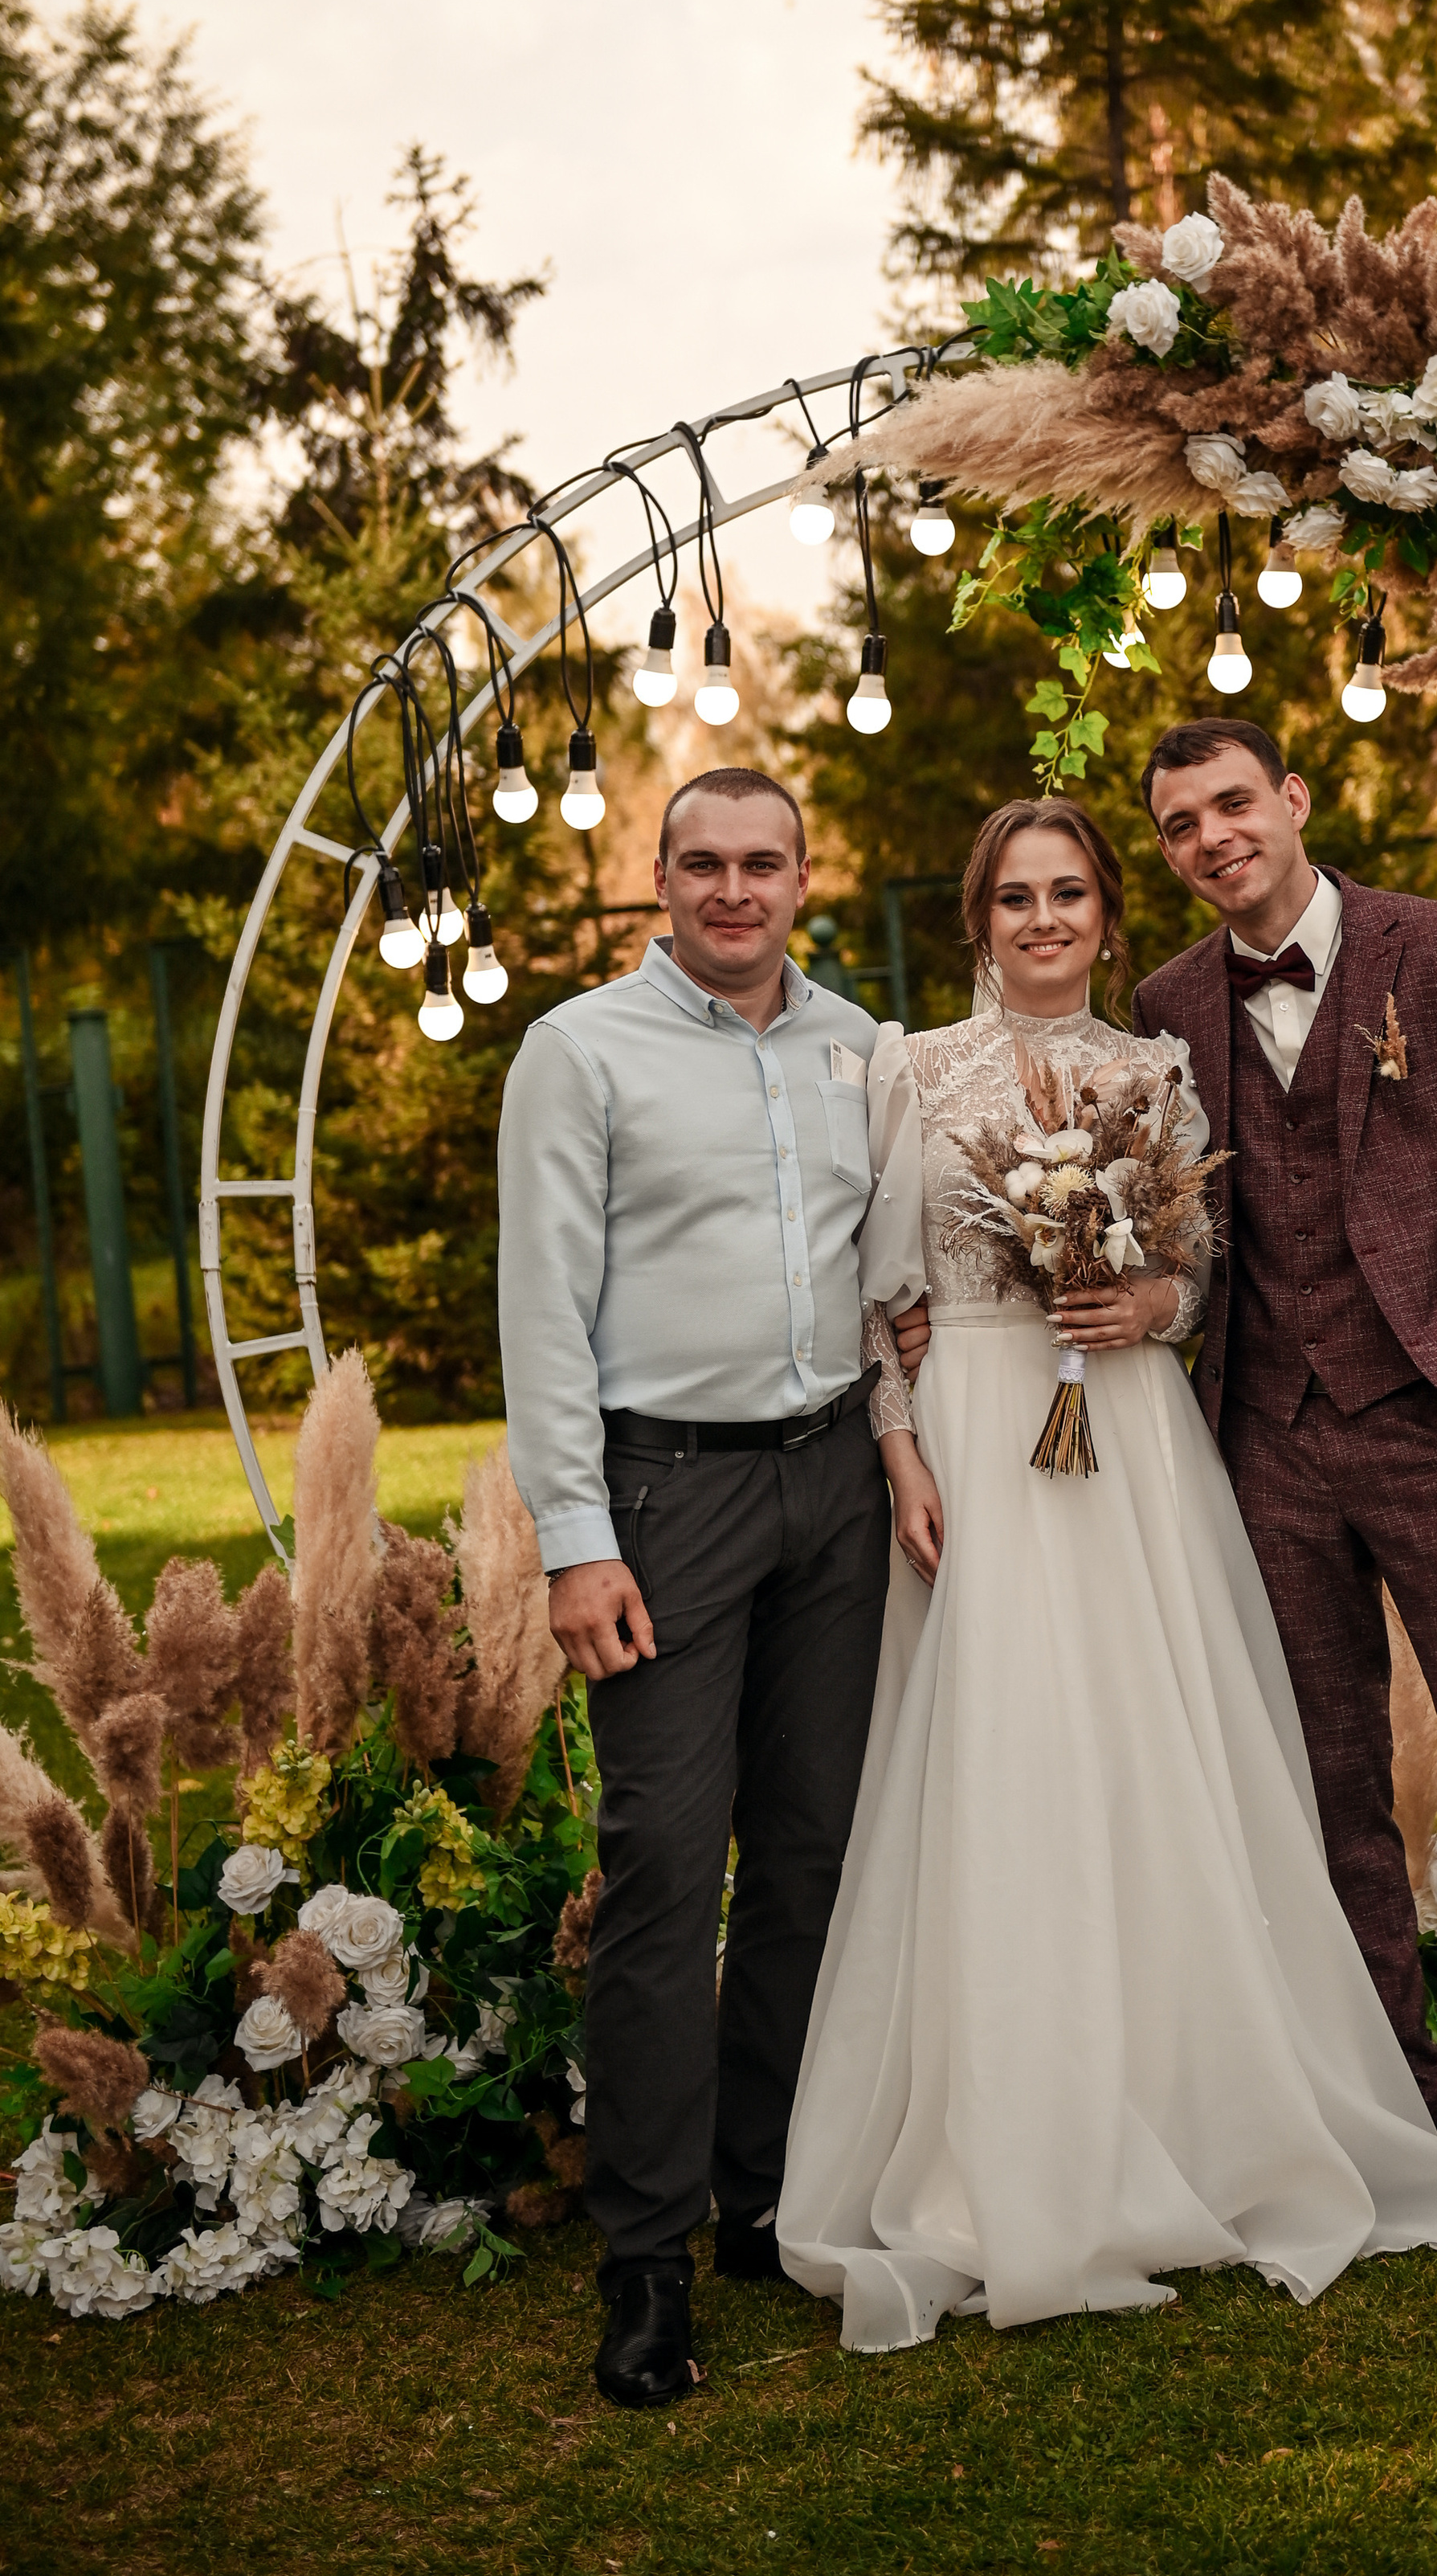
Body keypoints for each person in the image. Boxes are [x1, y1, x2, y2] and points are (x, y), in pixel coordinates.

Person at [775, 797, 1437, 2354]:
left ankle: (1202, 2102)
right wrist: (903, 1444)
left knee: (1155, 1758)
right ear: (977, 919)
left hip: (1123, 1442)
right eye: (1013, 897)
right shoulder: (912, 1070)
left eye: (1066, 894)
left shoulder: (1155, 1070)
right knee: (1003, 1768)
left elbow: (1198, 1269)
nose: (1041, 919)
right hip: (981, 1443)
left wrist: (1147, 1297)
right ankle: (1012, 2137)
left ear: (1106, 919)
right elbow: (878, 1290)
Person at [1128, 718, 1437, 2235]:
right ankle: (1404, 2106)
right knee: (1334, 1794)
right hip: (1267, 1444)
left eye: (1231, 804)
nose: (1212, 838)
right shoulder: (1163, 1010)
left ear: (1294, 799)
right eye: (1177, 826)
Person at [497, 767, 892, 2408]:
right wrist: (576, 1538)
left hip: (836, 1484)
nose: (734, 890)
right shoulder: (579, 1050)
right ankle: (645, 2256)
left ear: (805, 874)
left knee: (811, 1847)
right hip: (664, 1497)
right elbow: (541, 1306)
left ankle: (760, 2187)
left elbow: (897, 1266)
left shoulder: (860, 1046)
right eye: (702, 863)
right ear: (657, 877)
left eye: (763, 863)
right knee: (666, 1866)